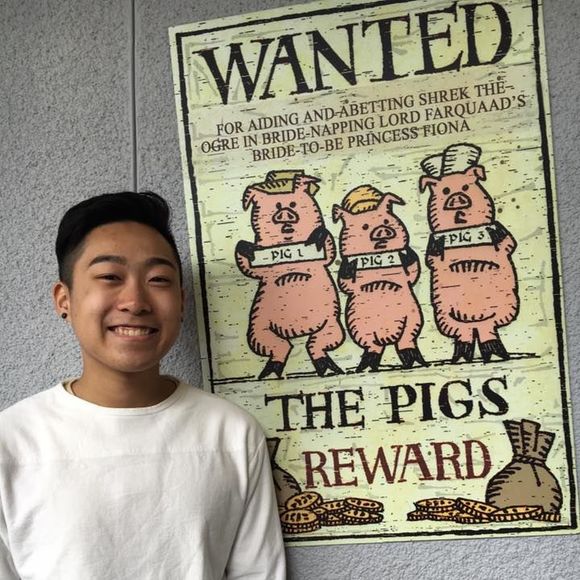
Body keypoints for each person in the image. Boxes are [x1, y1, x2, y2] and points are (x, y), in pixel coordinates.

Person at [0, 192, 286, 579]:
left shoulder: (231, 433)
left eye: (158, 280)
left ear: (181, 302)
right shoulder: (12, 441)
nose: (135, 301)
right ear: (64, 299)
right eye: (110, 277)